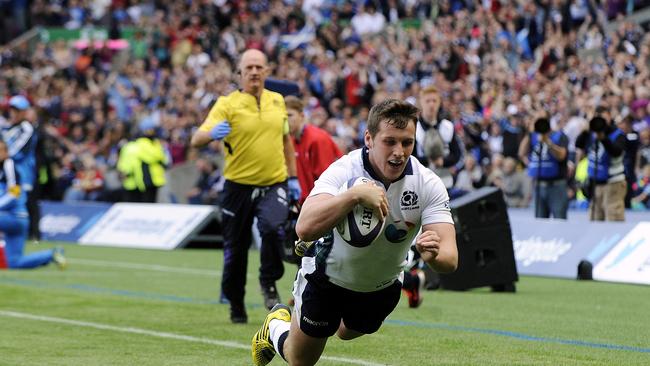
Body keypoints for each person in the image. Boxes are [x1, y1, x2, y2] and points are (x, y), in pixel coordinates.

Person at [251, 99, 458, 366]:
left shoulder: (427, 183)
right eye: (390, 141)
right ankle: (275, 326)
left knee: (346, 333)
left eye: (407, 143)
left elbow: (450, 259)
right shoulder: (344, 169)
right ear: (369, 139)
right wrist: (353, 196)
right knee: (300, 360)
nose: (399, 152)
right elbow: (304, 227)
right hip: (327, 278)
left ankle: (324, 321)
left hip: (382, 285)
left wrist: (435, 256)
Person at [190, 49, 300, 323]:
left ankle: (268, 282)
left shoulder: (277, 101)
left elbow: (287, 142)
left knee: (273, 230)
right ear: (239, 73)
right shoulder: (227, 104)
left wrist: (294, 177)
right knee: (236, 250)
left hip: (274, 182)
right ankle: (236, 303)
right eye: (248, 67)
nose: (254, 71)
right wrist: (210, 135)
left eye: (258, 67)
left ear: (266, 71)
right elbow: (196, 139)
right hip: (237, 187)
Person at [0, 140, 66, 269]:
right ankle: (52, 254)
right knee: (14, 262)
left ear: (6, 152)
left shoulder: (9, 165)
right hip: (18, 219)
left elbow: (14, 193)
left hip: (14, 217)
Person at [285, 95, 342, 204]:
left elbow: (328, 183)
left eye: (290, 115)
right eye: (283, 117)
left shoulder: (317, 139)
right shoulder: (291, 140)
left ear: (302, 116)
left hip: (323, 203)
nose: (286, 120)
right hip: (305, 204)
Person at [413, 85, 465, 193]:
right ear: (421, 103)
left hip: (445, 182)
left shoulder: (448, 126)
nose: (431, 104)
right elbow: (410, 157)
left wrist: (443, 162)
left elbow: (457, 154)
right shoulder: (413, 128)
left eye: (434, 100)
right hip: (421, 184)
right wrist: (428, 161)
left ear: (439, 102)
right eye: (427, 101)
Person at [575, 115, 627, 221]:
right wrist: (585, 132)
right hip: (595, 184)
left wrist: (603, 138)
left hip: (613, 183)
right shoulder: (591, 133)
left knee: (614, 220)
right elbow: (578, 144)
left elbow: (616, 152)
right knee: (595, 220)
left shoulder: (618, 134)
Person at [518, 117, 569, 218]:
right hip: (538, 184)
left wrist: (548, 142)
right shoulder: (533, 137)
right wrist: (529, 133)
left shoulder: (559, 136)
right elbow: (521, 153)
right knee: (539, 221)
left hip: (556, 185)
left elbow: (562, 156)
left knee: (560, 220)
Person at [2, 95, 38, 239]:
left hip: (22, 173)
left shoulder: (26, 128)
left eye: (17, 110)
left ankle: (32, 234)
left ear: (24, 112)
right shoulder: (6, 127)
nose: (13, 113)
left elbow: (16, 151)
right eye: (11, 109)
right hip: (7, 171)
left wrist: (5, 155)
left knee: (21, 199)